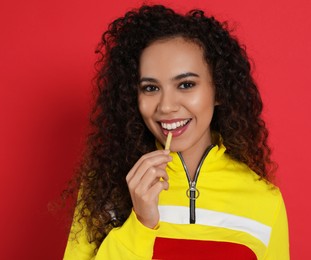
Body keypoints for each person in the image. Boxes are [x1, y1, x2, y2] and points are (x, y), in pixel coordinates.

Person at [63, 4, 289, 260]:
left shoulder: (264, 199)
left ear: (219, 90)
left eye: (186, 84)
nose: (166, 106)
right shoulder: (106, 187)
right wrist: (141, 223)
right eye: (150, 88)